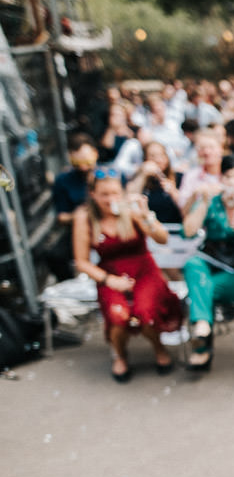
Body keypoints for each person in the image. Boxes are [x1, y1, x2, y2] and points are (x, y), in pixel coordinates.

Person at [72, 167, 182, 381]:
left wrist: (146, 215)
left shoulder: (131, 211)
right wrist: (109, 280)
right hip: (110, 274)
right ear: (93, 195)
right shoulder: (84, 217)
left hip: (144, 270)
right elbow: (82, 262)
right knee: (118, 315)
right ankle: (120, 355)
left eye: (115, 193)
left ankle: (159, 349)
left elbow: (162, 238)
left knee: (145, 312)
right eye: (104, 194)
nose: (110, 199)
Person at [182, 155, 234, 370]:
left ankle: (202, 343)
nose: (232, 182)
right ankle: (202, 327)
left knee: (201, 287)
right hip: (211, 263)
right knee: (192, 265)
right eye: (228, 177)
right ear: (221, 180)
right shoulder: (213, 203)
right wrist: (203, 201)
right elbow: (189, 231)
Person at [47, 133, 99, 281]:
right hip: (79, 229)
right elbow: (61, 216)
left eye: (86, 161)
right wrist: (78, 215)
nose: (83, 166)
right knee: (55, 255)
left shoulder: (107, 175)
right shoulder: (63, 180)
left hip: (107, 227)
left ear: (95, 154)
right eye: (78, 161)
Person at [126, 141, 182, 224]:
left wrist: (173, 191)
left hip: (173, 227)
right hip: (147, 227)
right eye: (152, 156)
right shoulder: (138, 177)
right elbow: (129, 200)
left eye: (162, 155)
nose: (158, 160)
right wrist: (143, 175)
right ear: (145, 159)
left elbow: (186, 207)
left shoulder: (179, 177)